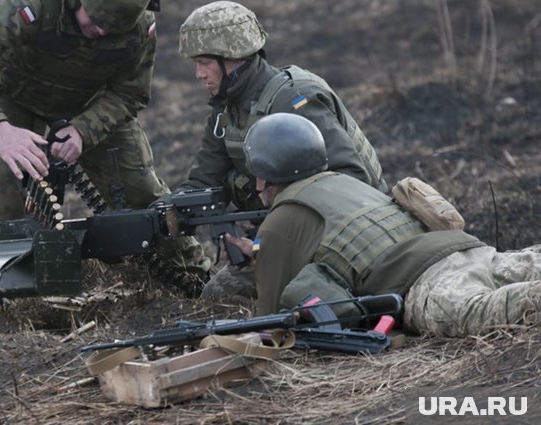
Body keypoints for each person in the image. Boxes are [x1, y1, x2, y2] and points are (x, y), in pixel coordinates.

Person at [0, 0, 208, 297]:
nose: (102, 33)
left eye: (113, 29)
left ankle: (195, 280)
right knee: (7, 179)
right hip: (16, 96)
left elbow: (130, 93)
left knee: (140, 190)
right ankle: (6, 299)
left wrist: (83, 130)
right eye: (95, 23)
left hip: (90, 102)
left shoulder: (139, 24)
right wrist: (0, 129)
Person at [222, 112, 541, 336]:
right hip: (463, 251)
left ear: (265, 173)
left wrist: (261, 259)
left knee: (494, 310)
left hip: (421, 284)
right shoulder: (343, 182)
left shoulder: (279, 220)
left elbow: (270, 322)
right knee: (530, 263)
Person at [175, 0, 386, 303]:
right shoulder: (227, 109)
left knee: (228, 297)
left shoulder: (293, 99)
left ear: (233, 57)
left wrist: (266, 245)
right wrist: (169, 211)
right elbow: (205, 177)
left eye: (205, 63)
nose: (198, 74)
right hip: (286, 229)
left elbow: (351, 180)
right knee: (217, 295)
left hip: (343, 232)